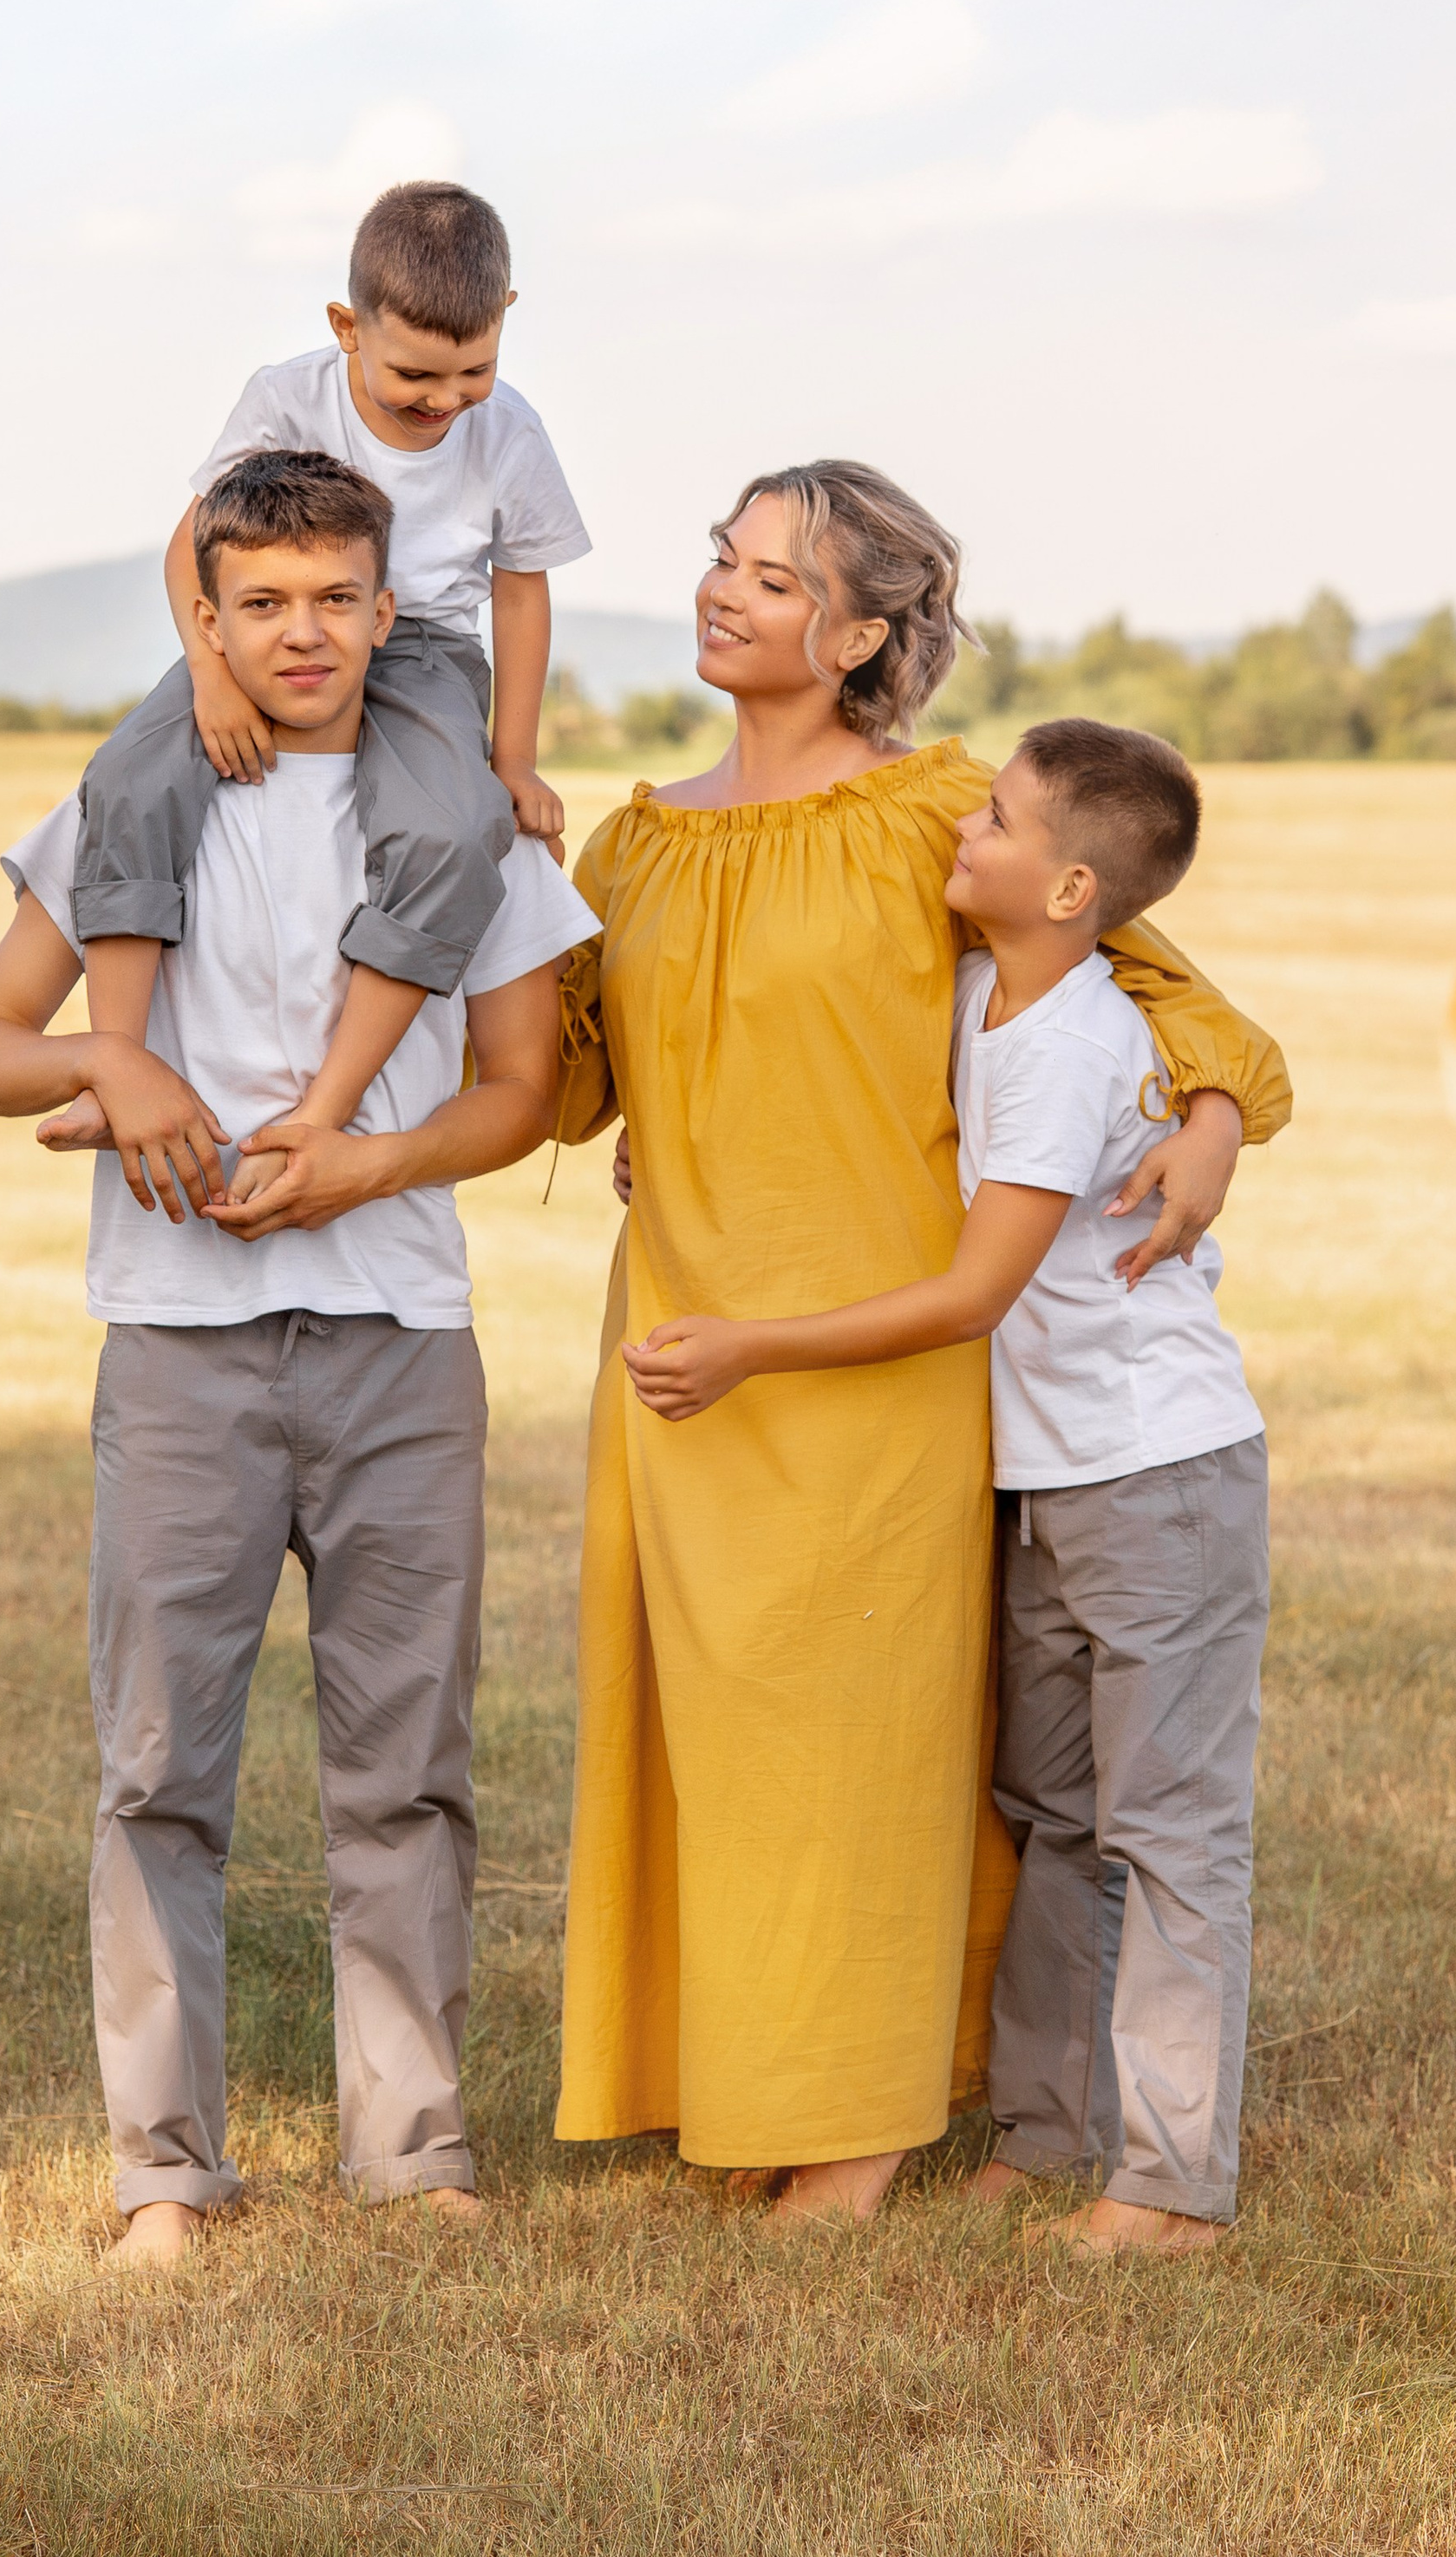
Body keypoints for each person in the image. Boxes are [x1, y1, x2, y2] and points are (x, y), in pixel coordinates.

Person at [550, 461, 1290, 2223]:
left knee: (859, 1742)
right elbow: (574, 1088)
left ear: (864, 631)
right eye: (718, 561)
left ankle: (865, 2124)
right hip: (679, 1344)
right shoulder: (629, 841)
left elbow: (1174, 999)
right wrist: (506, 895)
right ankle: (742, 2085)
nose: (720, 591)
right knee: (707, 1737)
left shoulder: (938, 820)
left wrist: (1203, 1123)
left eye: (768, 574)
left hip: (876, 1355)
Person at [0, 448, 597, 2259]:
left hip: (399, 1337)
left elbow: (524, 1092)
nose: (301, 633)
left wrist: (365, 1162)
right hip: (178, 1352)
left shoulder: (457, 817)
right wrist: (112, 1062)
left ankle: (414, 2148)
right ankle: (165, 2167)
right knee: (160, 1770)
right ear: (207, 620)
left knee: (407, 1761)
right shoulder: (136, 803)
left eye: (333, 600)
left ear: (389, 615)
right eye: (263, 604)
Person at [64, 180, 591, 1201]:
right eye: (413, 378)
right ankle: (112, 1064)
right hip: (268, 630)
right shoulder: (285, 397)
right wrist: (213, 680)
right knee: (127, 781)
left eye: (474, 371)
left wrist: (512, 760)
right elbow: (190, 548)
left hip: (426, 647)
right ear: (347, 330)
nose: (444, 401)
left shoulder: (512, 434)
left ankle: (325, 1106)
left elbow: (521, 601)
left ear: (505, 323)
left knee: (451, 831)